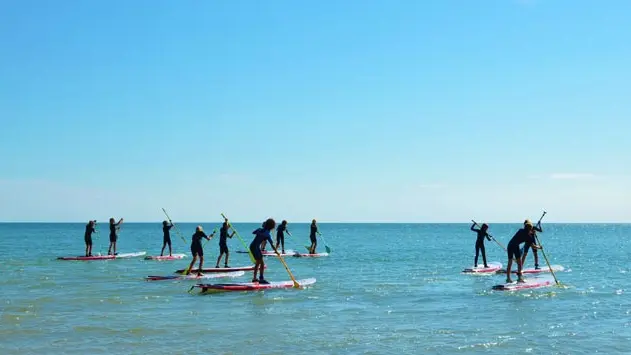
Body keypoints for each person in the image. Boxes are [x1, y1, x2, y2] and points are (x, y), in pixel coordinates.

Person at [249, 218, 278, 284]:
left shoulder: (260, 230)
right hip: (255, 248)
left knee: (258, 263)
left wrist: (260, 231)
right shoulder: (267, 234)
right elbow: (272, 244)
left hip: (253, 246)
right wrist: (276, 251)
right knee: (261, 263)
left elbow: (253, 232)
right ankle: (261, 279)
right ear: (271, 227)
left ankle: (254, 278)